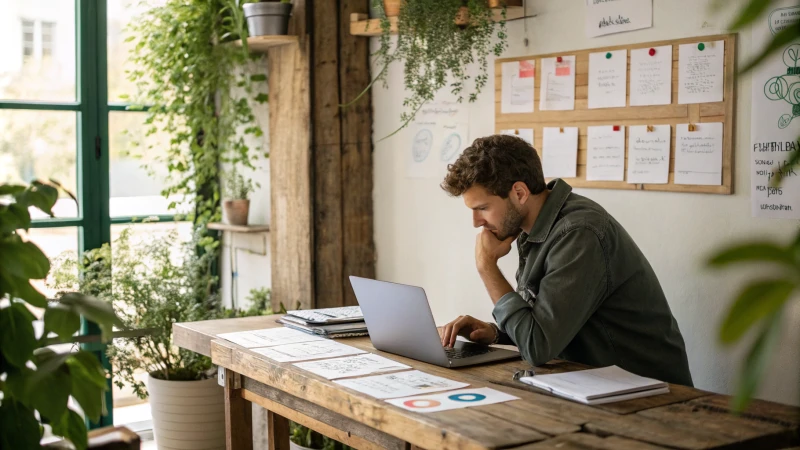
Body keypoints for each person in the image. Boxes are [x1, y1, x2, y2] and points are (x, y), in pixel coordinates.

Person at [439, 134, 693, 386]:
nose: (476, 222)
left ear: (519, 192)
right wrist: (495, 333)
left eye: (482, 208)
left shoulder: (579, 233)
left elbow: (538, 348)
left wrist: (486, 267)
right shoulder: (533, 230)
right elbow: (547, 322)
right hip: (591, 385)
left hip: (649, 394)